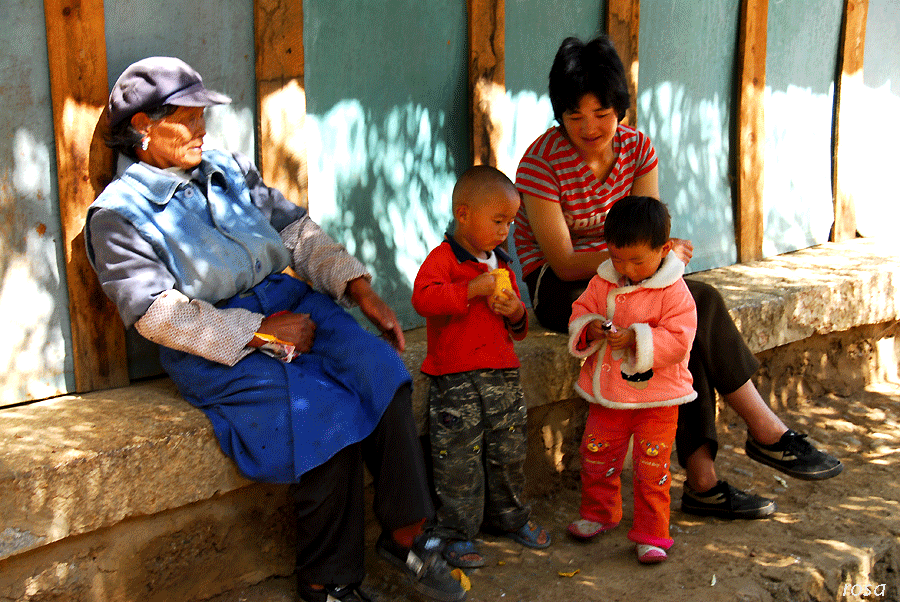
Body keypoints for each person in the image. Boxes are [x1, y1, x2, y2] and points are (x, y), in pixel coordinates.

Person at [84, 56, 465, 602]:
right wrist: (260, 331)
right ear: (143, 126)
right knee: (322, 416)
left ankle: (407, 536)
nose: (202, 129)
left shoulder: (227, 167)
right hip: (220, 343)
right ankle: (326, 582)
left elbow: (296, 231)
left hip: (294, 304)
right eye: (187, 119)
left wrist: (359, 290)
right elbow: (157, 315)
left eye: (202, 117)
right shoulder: (118, 215)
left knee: (379, 370)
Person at [514, 36, 843, 521]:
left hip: (630, 274)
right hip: (564, 288)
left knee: (681, 314)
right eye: (575, 115)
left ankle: (708, 481)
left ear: (620, 108)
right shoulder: (541, 161)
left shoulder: (638, 149)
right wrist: (645, 258)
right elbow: (561, 261)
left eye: (602, 113)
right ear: (559, 114)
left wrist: (662, 253)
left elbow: (647, 226)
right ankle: (759, 436)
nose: (589, 127)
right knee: (694, 303)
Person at [411, 165, 551, 569]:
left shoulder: (503, 265)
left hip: (502, 378)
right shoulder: (443, 260)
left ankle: (509, 518)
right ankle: (455, 533)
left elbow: (519, 327)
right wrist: (471, 290)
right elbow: (424, 300)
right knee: (458, 460)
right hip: (455, 381)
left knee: (508, 451)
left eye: (509, 221)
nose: (504, 230)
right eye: (497, 221)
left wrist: (515, 312)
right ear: (464, 214)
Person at [567, 195, 696, 564]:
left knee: (652, 467)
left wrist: (638, 338)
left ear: (664, 249)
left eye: (638, 260)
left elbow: (679, 338)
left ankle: (652, 532)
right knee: (595, 455)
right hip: (608, 395)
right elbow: (582, 311)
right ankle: (599, 513)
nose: (627, 268)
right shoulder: (603, 280)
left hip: (657, 399)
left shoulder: (675, 291)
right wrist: (590, 329)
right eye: (617, 257)